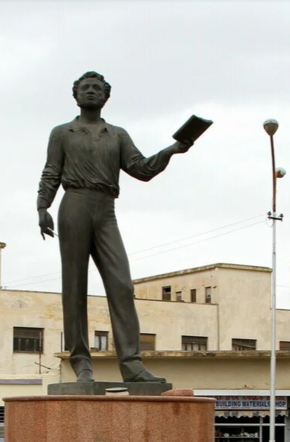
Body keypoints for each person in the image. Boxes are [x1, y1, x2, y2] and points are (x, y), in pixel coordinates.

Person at [37, 71, 191, 384]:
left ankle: (132, 365)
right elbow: (51, 171)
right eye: (85, 87)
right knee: (74, 286)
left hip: (106, 209)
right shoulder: (62, 133)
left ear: (106, 96)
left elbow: (141, 169)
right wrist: (43, 205)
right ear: (75, 95)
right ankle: (81, 363)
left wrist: (171, 150)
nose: (91, 91)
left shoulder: (117, 135)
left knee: (122, 285)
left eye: (97, 88)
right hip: (74, 204)